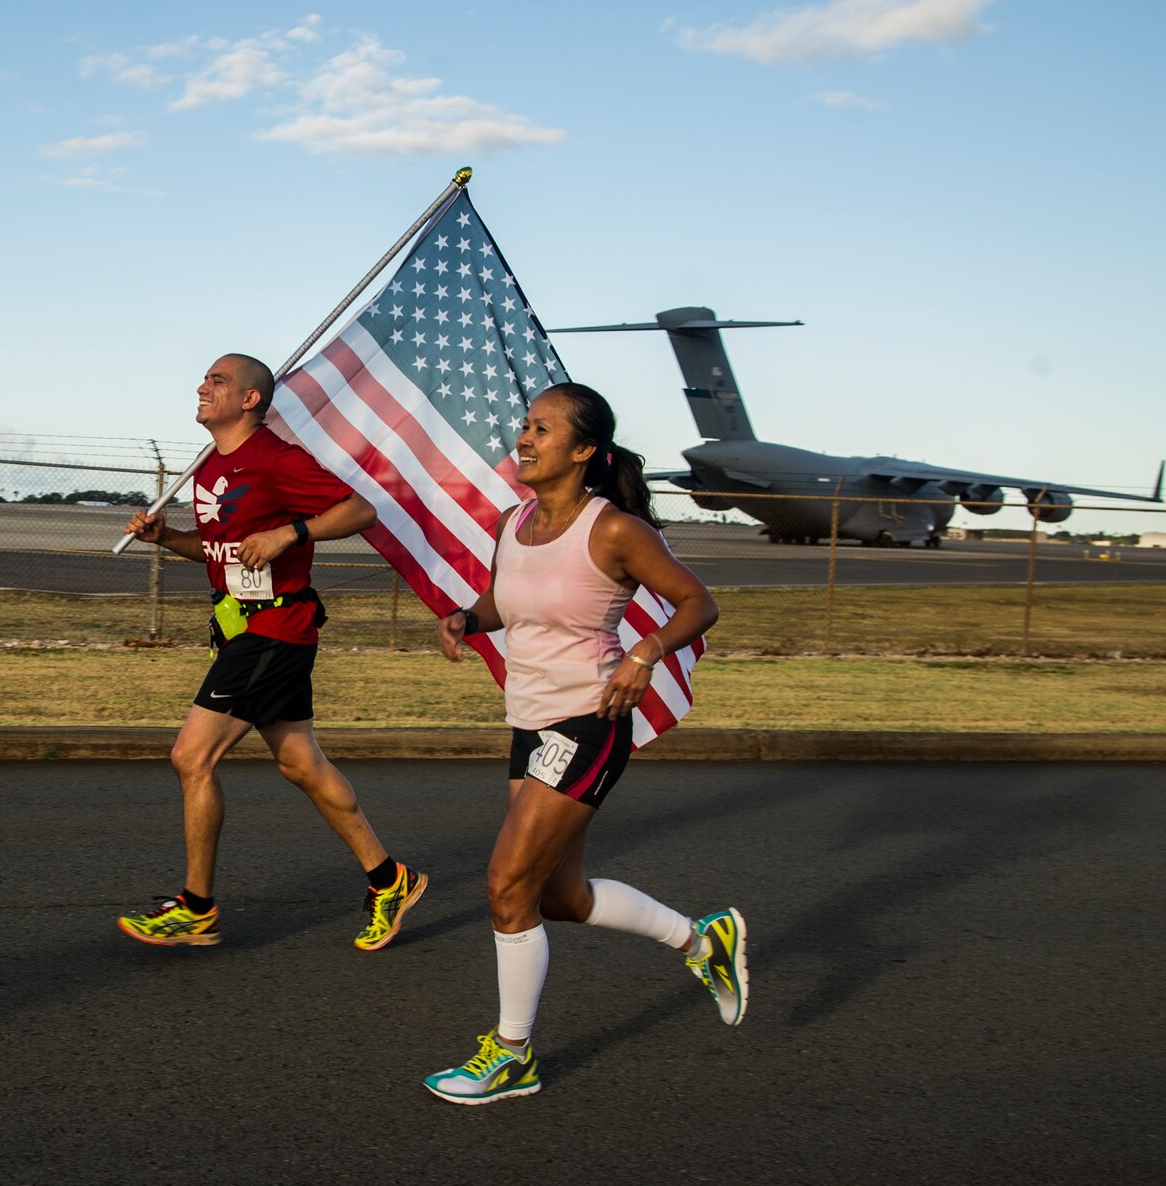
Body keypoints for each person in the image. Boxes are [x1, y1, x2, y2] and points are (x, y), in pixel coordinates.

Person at [420, 382, 741, 1106]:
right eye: (524, 425)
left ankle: (511, 1055)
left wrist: (646, 651)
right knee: (556, 894)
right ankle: (701, 941)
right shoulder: (515, 521)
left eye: (541, 428)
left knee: (505, 884)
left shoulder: (615, 530)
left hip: (589, 719)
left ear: (585, 449)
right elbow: (508, 599)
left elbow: (700, 602)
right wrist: (466, 619)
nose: (523, 438)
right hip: (529, 720)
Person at [115, 354, 427, 951]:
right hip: (241, 629)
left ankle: (196, 907)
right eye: (205, 378)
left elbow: (361, 508)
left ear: (251, 399)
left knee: (191, 756)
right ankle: (391, 880)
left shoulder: (275, 457)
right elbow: (220, 552)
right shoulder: (211, 465)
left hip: (276, 629)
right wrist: (167, 538)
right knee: (300, 764)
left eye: (217, 381)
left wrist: (292, 532)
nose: (202, 387)